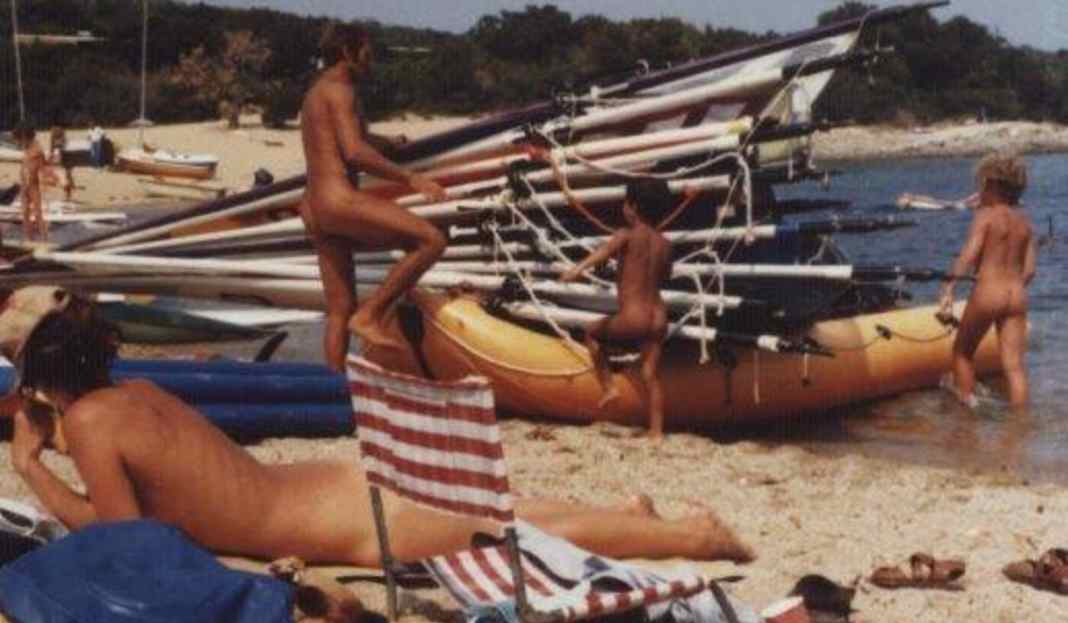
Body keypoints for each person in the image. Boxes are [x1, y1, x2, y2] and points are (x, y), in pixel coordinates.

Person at [1, 286, 756, 567]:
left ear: (33, 375)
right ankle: (627, 515)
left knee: (509, 535)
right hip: (326, 487)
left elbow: (126, 542)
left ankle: (694, 539)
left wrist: (35, 469)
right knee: (501, 514)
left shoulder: (94, 423)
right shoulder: (134, 390)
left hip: (337, 520)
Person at [299, 23, 448, 370]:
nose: (371, 59)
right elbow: (355, 153)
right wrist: (412, 177)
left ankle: (334, 394)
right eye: (366, 52)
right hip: (340, 200)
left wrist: (389, 143)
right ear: (348, 52)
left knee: (339, 311)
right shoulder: (342, 90)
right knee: (431, 240)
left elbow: (351, 138)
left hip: (314, 208)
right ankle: (373, 314)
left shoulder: (317, 92)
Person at [560, 177, 675, 439]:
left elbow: (602, 252)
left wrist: (576, 270)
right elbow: (664, 275)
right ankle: (656, 432)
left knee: (591, 332)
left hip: (633, 316)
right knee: (650, 374)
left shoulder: (625, 235)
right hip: (658, 316)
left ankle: (609, 387)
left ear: (632, 206)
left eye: (625, 203)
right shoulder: (665, 244)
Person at [938, 152, 1035, 407]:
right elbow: (1030, 271)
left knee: (962, 353)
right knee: (1013, 366)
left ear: (991, 185)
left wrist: (948, 287)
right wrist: (1012, 285)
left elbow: (968, 255)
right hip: (1016, 295)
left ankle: (967, 420)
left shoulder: (986, 217)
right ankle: (1020, 427)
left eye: (980, 185)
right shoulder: (1025, 223)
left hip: (988, 292)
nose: (978, 191)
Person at [13, 123, 58, 242]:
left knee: (38, 213)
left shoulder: (37, 150)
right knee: (25, 213)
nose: (18, 144)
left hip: (33, 185)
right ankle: (29, 238)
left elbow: (44, 167)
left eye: (19, 141)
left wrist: (51, 178)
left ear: (25, 138)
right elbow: (26, 166)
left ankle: (44, 239)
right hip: (24, 185)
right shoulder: (27, 149)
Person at [48, 125, 74, 201]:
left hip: (65, 160)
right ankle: (67, 194)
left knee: (66, 177)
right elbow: (52, 149)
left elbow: (53, 149)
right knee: (66, 177)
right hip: (63, 160)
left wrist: (51, 156)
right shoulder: (59, 139)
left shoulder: (61, 140)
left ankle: (67, 195)